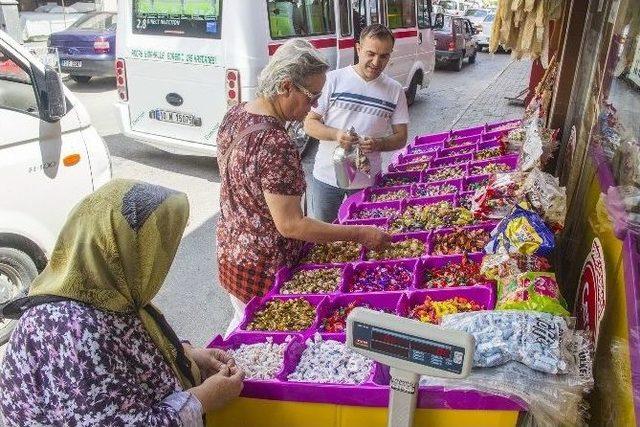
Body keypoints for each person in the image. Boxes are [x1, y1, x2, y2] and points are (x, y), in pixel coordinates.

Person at [0, 180, 244, 426]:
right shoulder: (73, 332)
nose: (165, 259)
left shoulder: (108, 292)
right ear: (125, 250)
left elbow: (130, 347)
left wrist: (186, 354)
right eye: (160, 247)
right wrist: (203, 399)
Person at [216, 39, 390, 336]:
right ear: (285, 86)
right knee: (256, 336)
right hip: (263, 268)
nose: (314, 106)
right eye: (312, 96)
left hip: (231, 253)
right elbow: (291, 225)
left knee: (241, 321)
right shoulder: (275, 142)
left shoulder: (237, 114)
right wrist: (359, 234)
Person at [304, 24, 410, 223]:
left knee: (363, 237)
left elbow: (401, 137)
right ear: (358, 49)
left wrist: (378, 143)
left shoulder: (395, 90)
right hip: (326, 179)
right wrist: (337, 135)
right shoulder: (332, 80)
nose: (376, 62)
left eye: (384, 56)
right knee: (324, 238)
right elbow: (310, 123)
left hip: (367, 183)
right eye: (371, 53)